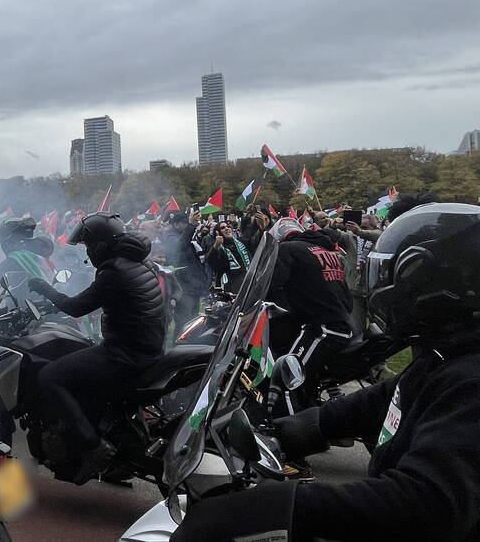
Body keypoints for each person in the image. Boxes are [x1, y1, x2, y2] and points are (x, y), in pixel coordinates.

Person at [171, 202, 480, 542]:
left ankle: (297, 463)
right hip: (341, 324)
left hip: (323, 327)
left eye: (399, 274)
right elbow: (386, 397)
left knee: (290, 375)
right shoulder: (445, 354)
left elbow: (426, 504)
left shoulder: (470, 379)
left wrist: (279, 504)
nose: (384, 284)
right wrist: (293, 431)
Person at [27, 212, 165, 485]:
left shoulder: (114, 272)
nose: (88, 251)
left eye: (89, 245)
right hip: (147, 349)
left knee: (50, 376)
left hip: (124, 354)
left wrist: (44, 289)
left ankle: (93, 447)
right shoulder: (140, 262)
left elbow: (76, 307)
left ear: (102, 244)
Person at [266, 217, 353, 418]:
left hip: (322, 327)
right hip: (342, 322)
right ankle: (312, 412)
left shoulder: (287, 249)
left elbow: (271, 282)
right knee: (305, 374)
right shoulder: (326, 251)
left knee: (286, 377)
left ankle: (284, 427)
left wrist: (254, 299)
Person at [163, 210, 207, 329]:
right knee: (184, 322)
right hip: (183, 288)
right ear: (176, 224)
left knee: (193, 322)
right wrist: (191, 226)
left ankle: (191, 340)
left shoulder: (184, 236)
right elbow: (179, 248)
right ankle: (179, 341)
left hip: (192, 286)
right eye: (185, 223)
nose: (187, 225)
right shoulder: (170, 237)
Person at [205, 220, 252, 293]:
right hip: (230, 287)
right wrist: (216, 246)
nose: (227, 228)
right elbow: (211, 262)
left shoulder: (241, 242)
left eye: (228, 226)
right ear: (218, 232)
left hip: (248, 282)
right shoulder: (218, 247)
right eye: (223, 228)